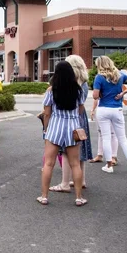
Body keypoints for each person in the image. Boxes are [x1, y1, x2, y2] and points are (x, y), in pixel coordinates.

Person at [37, 61, 87, 206]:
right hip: (72, 127)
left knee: (49, 163)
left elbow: (47, 113)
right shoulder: (77, 90)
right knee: (75, 164)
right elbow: (81, 109)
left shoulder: (51, 90)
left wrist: (46, 129)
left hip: (55, 126)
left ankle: (44, 196)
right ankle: (79, 197)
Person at [50, 55, 92, 192]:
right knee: (81, 150)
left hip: (70, 119)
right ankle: (82, 180)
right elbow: (81, 104)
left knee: (67, 152)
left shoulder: (71, 83)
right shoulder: (84, 83)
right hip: (81, 118)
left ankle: (65, 183)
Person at [92, 56, 127, 174]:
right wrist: (123, 92)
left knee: (106, 138)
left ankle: (109, 166)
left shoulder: (99, 77)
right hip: (117, 109)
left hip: (103, 109)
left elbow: (95, 96)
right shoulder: (120, 75)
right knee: (122, 138)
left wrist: (101, 93)